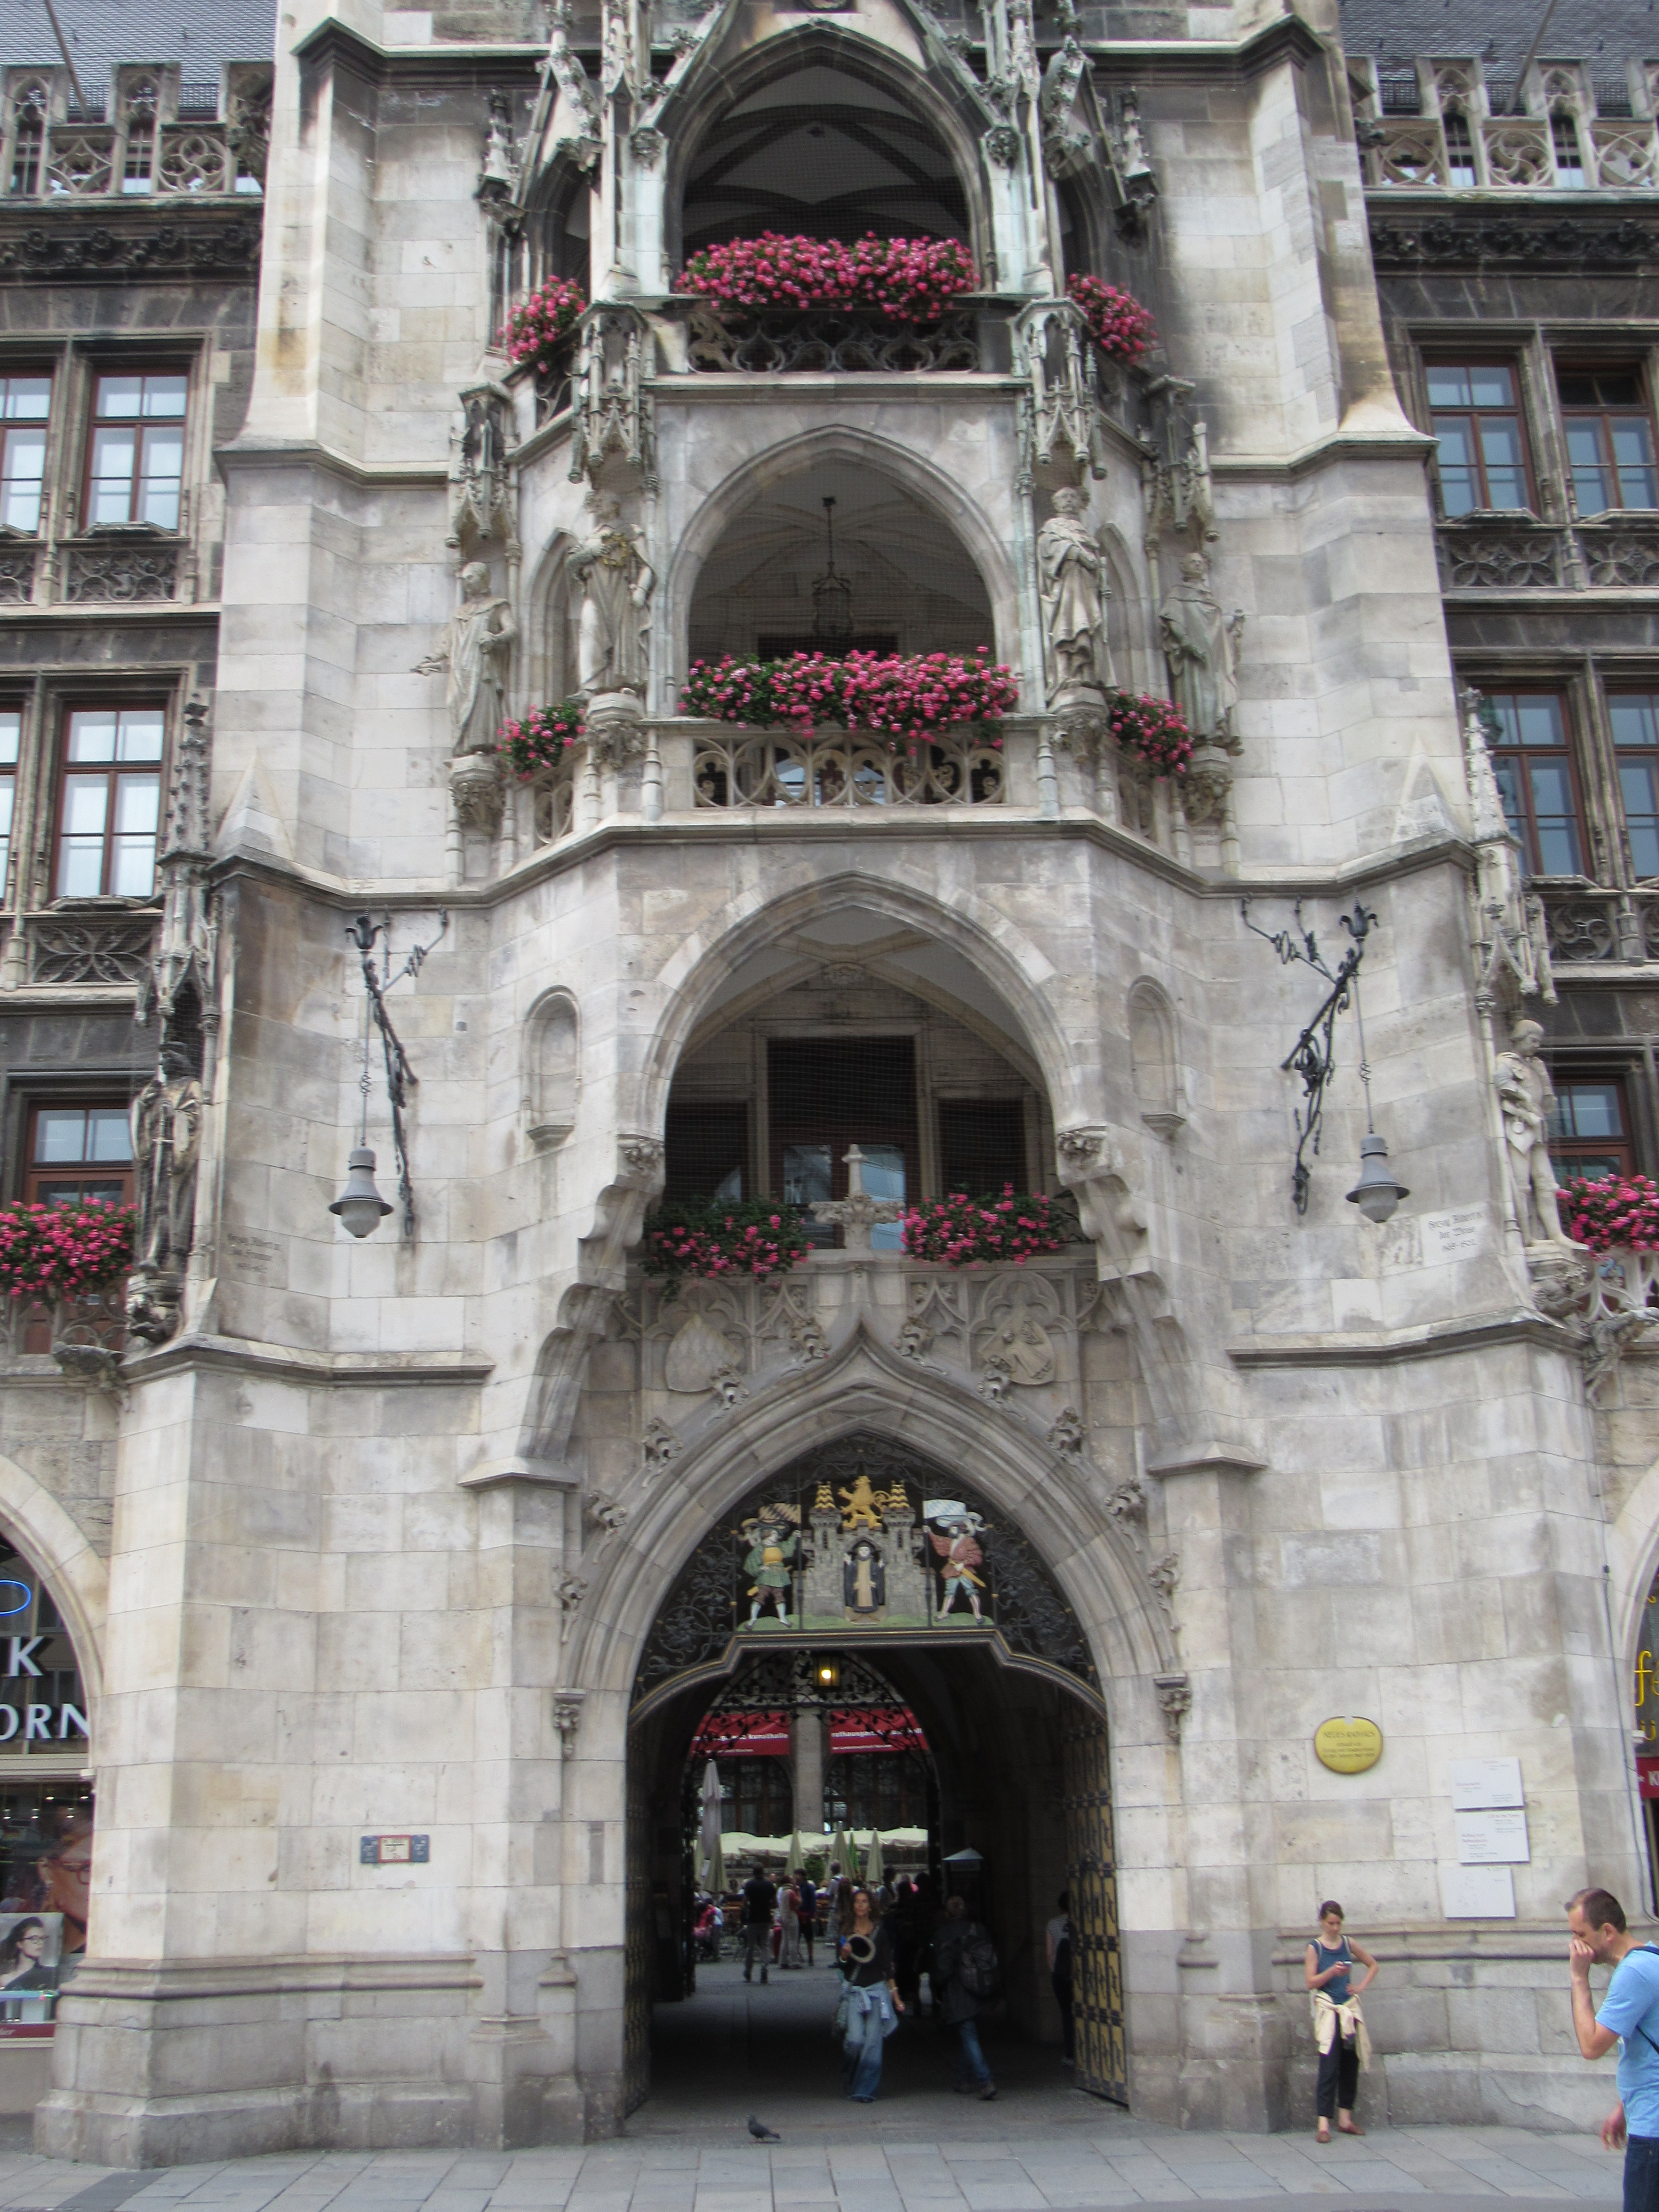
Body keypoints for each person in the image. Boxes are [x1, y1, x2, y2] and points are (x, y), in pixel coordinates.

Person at [1567, 1884, 1659, 2212]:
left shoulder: (1633, 1973)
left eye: (1580, 1935)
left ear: (1607, 1932)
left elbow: (1591, 2046)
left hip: (1653, 2132)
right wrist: (1625, 2106)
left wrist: (1579, 1980)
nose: (1575, 1946)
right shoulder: (1651, 1957)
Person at [1305, 1900, 1376, 2143]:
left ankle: (1345, 2119)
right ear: (1322, 1922)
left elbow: (1373, 1965)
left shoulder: (1348, 1943)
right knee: (1329, 2065)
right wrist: (1331, 1972)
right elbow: (1310, 1982)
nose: (1335, 1928)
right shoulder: (1315, 1948)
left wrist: (1360, 1987)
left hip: (1348, 2009)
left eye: (1338, 1923)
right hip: (1329, 2011)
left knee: (1350, 2064)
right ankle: (1323, 2124)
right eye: (1331, 1923)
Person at [838, 1885, 902, 2103]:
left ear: (871, 1906)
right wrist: (844, 1955)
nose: (861, 1905)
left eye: (864, 1902)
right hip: (855, 1992)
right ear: (853, 1906)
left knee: (873, 2043)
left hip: (876, 1991)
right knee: (855, 2040)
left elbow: (887, 1966)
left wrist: (896, 1996)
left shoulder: (880, 1933)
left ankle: (864, 2090)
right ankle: (850, 2072)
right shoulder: (846, 1932)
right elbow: (842, 1966)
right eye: (857, 1902)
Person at [931, 1894, 998, 2100]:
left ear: (947, 1913)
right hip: (982, 1988)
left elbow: (943, 1969)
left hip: (959, 1992)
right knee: (968, 2034)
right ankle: (962, 2080)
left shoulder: (944, 1934)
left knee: (969, 2036)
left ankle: (985, 2081)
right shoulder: (979, 1929)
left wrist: (939, 1986)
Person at [1046, 1889, 1075, 2067]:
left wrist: (1055, 1973)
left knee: (1067, 2014)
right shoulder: (1082, 1921)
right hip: (1079, 1975)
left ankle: (1070, 2054)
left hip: (1061, 1975)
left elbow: (1050, 1953)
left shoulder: (1053, 1924)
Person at [740, 1863, 777, 1985]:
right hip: (766, 1918)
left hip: (753, 1918)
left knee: (750, 1946)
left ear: (753, 1872)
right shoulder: (769, 1885)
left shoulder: (750, 1885)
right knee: (765, 1945)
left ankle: (748, 1971)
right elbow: (775, 1903)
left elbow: (745, 1902)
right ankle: (764, 1968)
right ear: (763, 1872)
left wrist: (750, 1905)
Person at [0, 1918, 53, 1992]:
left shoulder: (49, 1975)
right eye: (34, 1939)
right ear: (19, 1944)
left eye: (42, 1939)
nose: (40, 1943)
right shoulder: (5, 1980)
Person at [779, 1876, 802, 1969]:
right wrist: (798, 1892)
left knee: (785, 1940)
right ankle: (794, 1962)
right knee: (793, 1940)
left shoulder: (782, 1892)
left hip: (784, 1917)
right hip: (792, 1917)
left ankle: (783, 1961)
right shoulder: (791, 1892)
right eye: (792, 1879)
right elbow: (799, 1902)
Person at [796, 1873, 816, 1966]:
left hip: (806, 1915)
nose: (796, 1877)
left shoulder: (809, 1887)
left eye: (798, 1875)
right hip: (797, 1915)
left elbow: (813, 1901)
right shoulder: (796, 1887)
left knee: (809, 1938)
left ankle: (811, 1957)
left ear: (803, 1876)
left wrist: (812, 1914)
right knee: (796, 1938)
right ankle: (797, 1956)